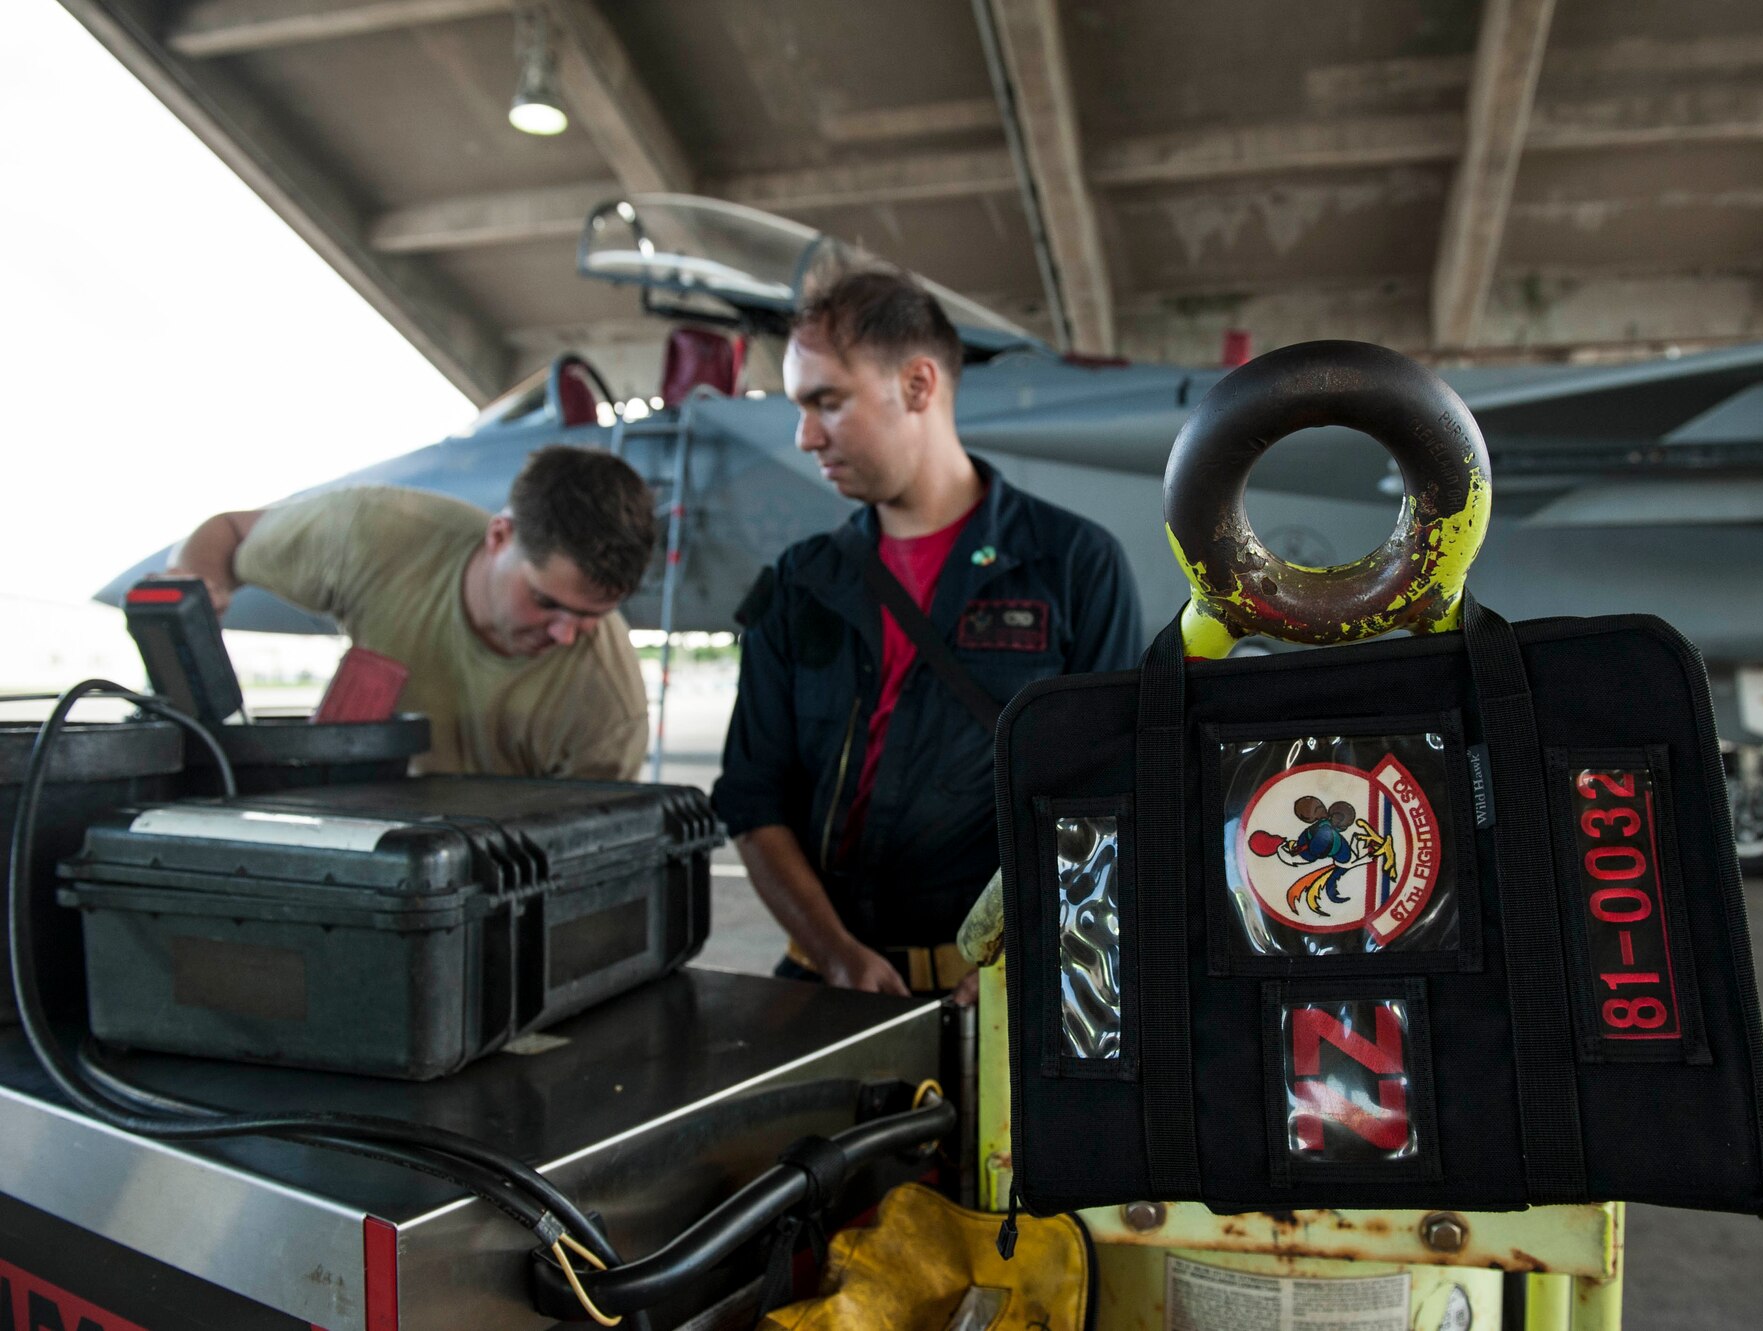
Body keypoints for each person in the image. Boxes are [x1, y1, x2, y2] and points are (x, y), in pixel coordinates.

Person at [712, 267, 1144, 1001]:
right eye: (800, 406)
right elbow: (754, 798)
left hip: (1008, 996)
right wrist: (837, 955)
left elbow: (1111, 797)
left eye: (828, 402)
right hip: (827, 985)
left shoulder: (1072, 565)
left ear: (917, 386)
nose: (805, 434)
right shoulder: (800, 583)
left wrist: (1025, 955)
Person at [169, 445, 656, 779]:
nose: (567, 634)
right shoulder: (375, 536)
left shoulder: (607, 704)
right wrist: (192, 590)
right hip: (360, 825)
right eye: (546, 602)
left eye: (591, 615)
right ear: (500, 536)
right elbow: (228, 534)